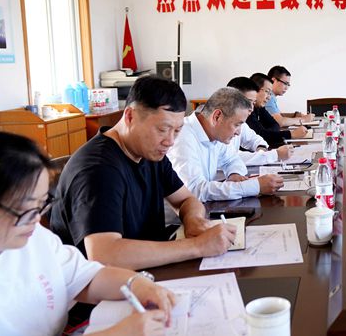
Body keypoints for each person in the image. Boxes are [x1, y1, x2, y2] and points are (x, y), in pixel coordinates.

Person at [0, 132, 177, 335]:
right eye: (25, 209)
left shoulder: (36, 237)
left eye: (42, 204)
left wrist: (137, 284)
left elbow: (87, 278)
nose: (37, 219)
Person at [50, 76, 237, 270]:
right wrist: (197, 246)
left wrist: (193, 220)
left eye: (177, 131)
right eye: (163, 129)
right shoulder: (98, 169)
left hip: (149, 268)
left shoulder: (150, 153)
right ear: (130, 116)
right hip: (107, 283)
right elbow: (104, 255)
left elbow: (186, 200)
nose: (170, 141)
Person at [168, 87, 285, 202]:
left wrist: (234, 174)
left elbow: (232, 159)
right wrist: (255, 186)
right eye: (237, 125)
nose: (238, 132)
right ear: (217, 117)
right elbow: (195, 190)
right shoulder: (183, 137)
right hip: (178, 214)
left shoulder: (215, 133)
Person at [249, 73, 309, 146]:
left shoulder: (260, 107)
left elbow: (275, 125)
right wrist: (291, 134)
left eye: (270, 93)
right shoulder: (248, 110)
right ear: (255, 90)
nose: (269, 97)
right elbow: (262, 135)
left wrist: (267, 133)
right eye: (267, 91)